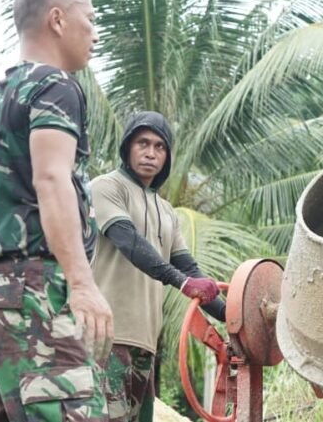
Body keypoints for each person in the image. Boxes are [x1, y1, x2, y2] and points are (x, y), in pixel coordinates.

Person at [0, 0, 111, 421]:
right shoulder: (54, 86)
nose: (94, 33)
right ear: (57, 20)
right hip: (29, 286)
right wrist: (81, 283)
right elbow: (51, 179)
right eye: (90, 18)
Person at [91, 111, 225, 421]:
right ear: (128, 147)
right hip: (107, 339)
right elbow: (130, 243)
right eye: (143, 143)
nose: (151, 153)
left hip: (145, 344)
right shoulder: (106, 187)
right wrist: (181, 282)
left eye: (160, 147)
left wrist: (233, 315)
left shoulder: (166, 210)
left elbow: (190, 269)